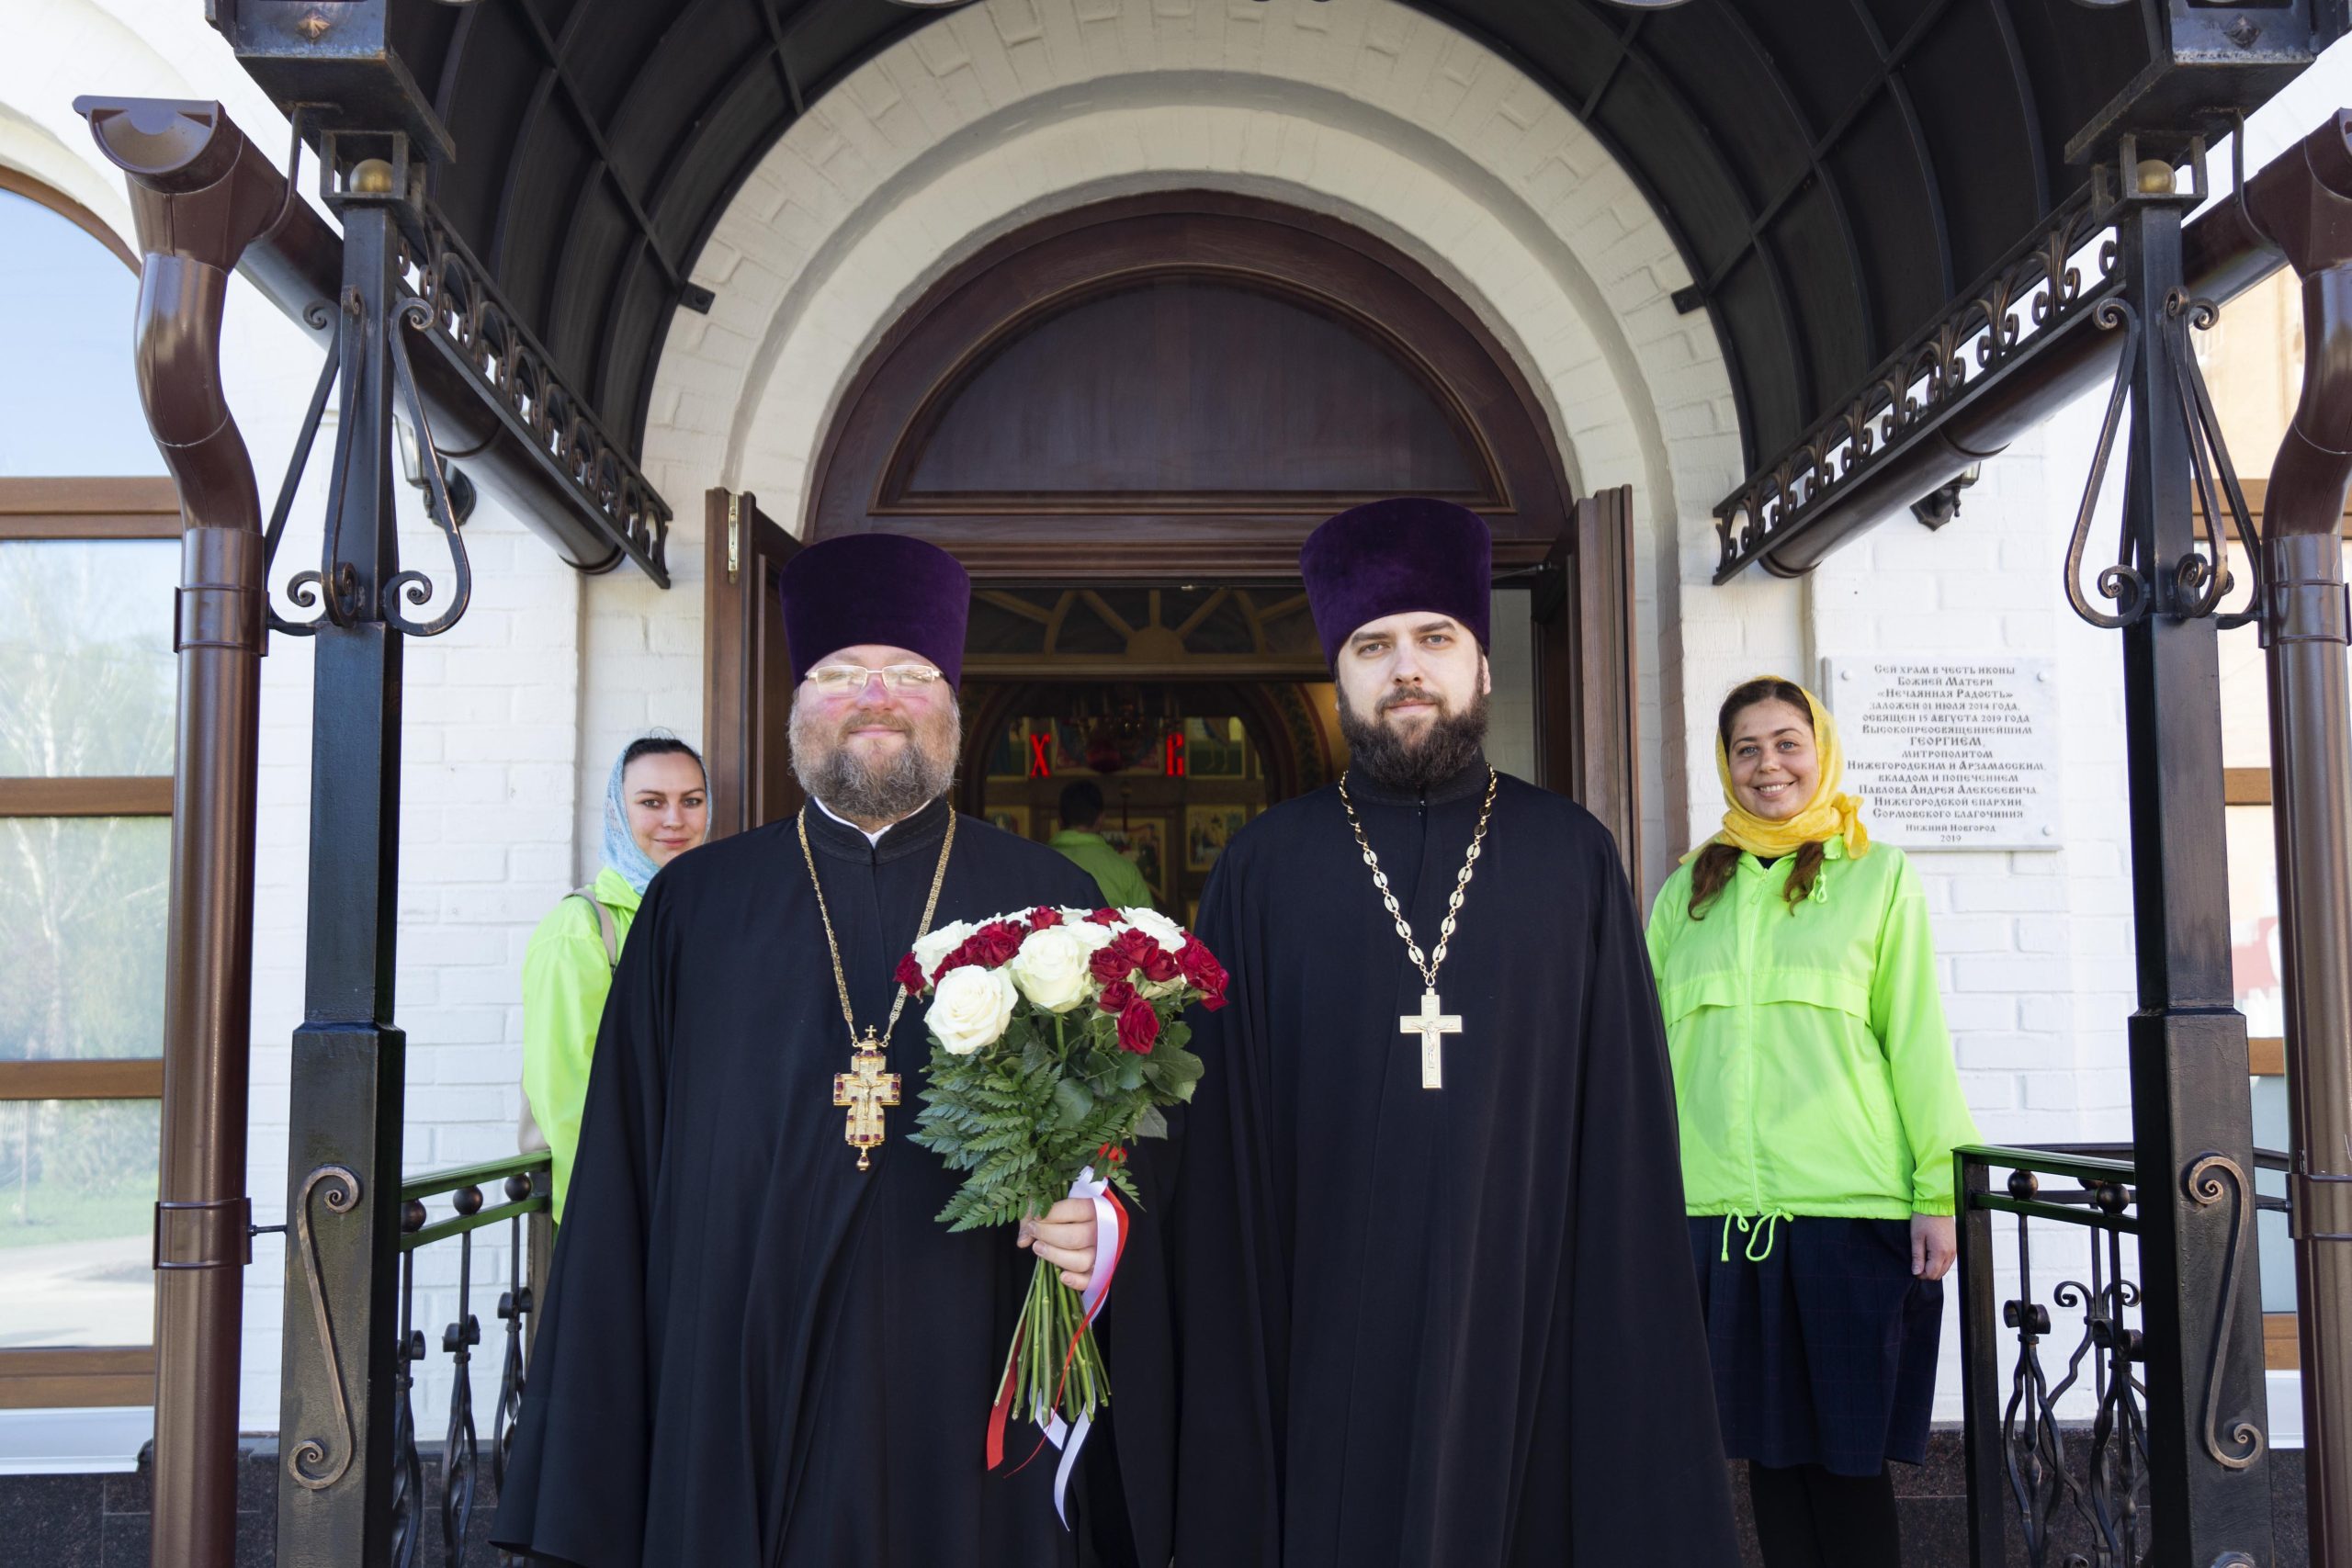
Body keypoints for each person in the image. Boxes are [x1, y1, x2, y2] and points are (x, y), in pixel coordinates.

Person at [493, 533, 1169, 1568]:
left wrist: (1100, 1222)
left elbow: (1121, 1146)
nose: (876, 697)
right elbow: (623, 1168)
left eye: (907, 674)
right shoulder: (694, 906)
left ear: (951, 702)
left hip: (976, 1353)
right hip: (739, 1364)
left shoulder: (1053, 901)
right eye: (842, 675)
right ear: (796, 706)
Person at [1168, 497, 1739, 1565]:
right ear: (1339, 679)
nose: (1405, 669)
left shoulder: (1569, 855)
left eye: (1435, 640)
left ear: (1481, 666)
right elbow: (1220, 1136)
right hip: (1320, 1299)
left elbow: (1618, 1113)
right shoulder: (1263, 867)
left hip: (1528, 1295)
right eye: (1372, 646)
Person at [1645, 676, 1979, 1568]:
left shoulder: (1875, 876)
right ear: (1726, 763)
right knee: (1767, 1455)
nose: (1769, 765)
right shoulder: (1688, 892)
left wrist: (1935, 1190)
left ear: (1819, 748)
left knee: (1847, 1457)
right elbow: (1642, 1059)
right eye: (1747, 748)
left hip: (1847, 1212)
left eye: (1787, 742)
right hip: (1720, 1214)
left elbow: (1915, 1040)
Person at [520, 735, 707, 1221]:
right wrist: (615, 1220)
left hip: (698, 1205)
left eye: (691, 800)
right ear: (617, 814)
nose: (674, 820)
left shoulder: (714, 920)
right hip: (622, 1215)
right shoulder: (581, 929)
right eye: (651, 802)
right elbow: (567, 1099)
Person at [1048, 780, 1156, 910]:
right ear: (1100, 819)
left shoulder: (1037, 863)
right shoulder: (1125, 870)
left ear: (1059, 820)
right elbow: (1148, 924)